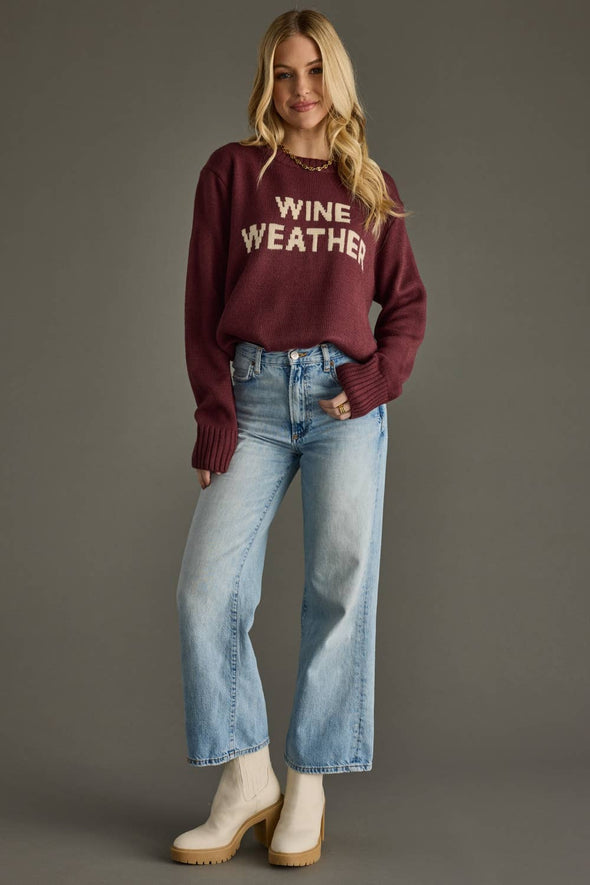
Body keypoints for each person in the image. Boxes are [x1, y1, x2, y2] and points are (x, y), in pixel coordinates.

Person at [170, 7, 427, 868]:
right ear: (266, 83)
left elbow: (409, 308)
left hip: (339, 404)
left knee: (339, 590)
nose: (301, 90)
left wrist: (373, 380)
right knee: (206, 592)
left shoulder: (369, 187)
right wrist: (214, 411)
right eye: (285, 73)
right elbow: (203, 305)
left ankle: (308, 778)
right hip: (251, 399)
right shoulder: (232, 174)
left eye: (315, 72)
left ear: (337, 79)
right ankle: (248, 775)